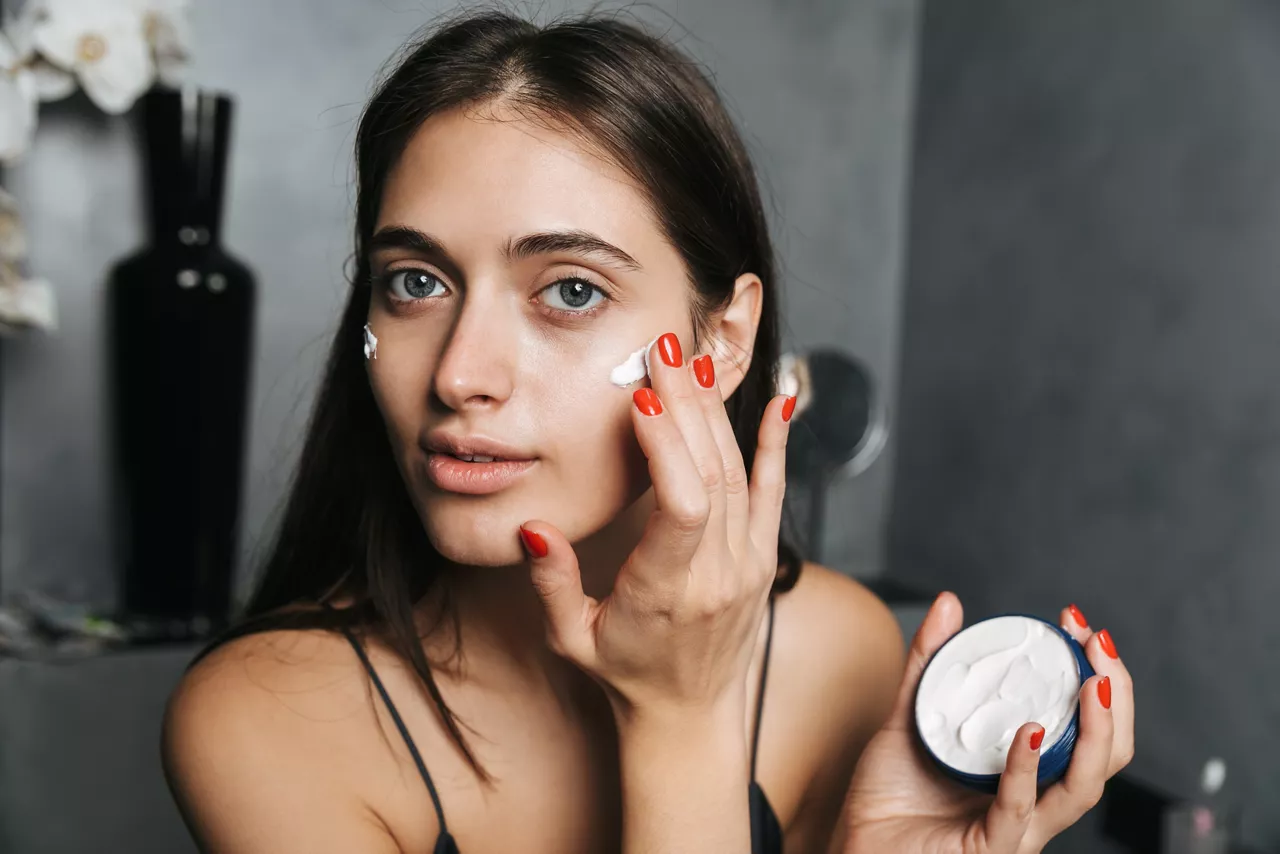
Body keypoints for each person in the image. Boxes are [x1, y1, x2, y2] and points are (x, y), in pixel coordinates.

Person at [161, 10, 1134, 853]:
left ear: (722, 336)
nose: (458, 374)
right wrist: (683, 717)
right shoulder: (269, 719)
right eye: (415, 281)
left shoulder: (835, 654)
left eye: (571, 291)